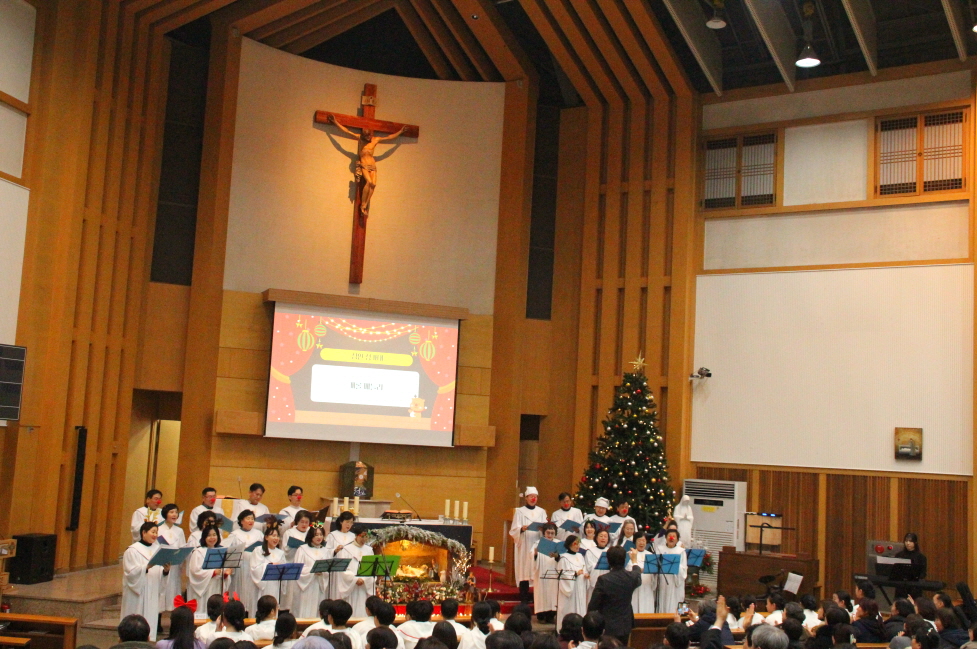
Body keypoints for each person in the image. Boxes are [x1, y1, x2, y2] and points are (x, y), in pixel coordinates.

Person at [121, 522, 168, 641]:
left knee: (150, 620)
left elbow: (159, 574)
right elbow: (130, 573)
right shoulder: (132, 550)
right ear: (143, 532)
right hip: (138, 593)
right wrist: (146, 567)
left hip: (152, 591)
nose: (155, 535)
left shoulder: (158, 550)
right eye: (153, 532)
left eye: (156, 532)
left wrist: (165, 571)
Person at [587, 546, 642, 642]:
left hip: (608, 625)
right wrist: (634, 561)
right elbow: (637, 574)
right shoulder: (631, 577)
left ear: (608, 561)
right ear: (624, 560)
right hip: (625, 624)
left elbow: (593, 605)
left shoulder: (603, 579)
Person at [510, 487, 548, 604]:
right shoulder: (519, 512)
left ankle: (537, 597)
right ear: (526, 498)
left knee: (536, 568)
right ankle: (524, 597)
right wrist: (521, 529)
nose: (533, 499)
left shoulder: (541, 512)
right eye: (531, 496)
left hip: (537, 542)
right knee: (524, 569)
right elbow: (513, 529)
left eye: (535, 497)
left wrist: (543, 529)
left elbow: (546, 528)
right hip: (525, 543)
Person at [333, 524, 375, 617]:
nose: (364, 539)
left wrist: (364, 579)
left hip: (364, 585)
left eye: (366, 537)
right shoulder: (346, 549)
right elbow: (343, 569)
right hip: (351, 586)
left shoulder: (369, 550)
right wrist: (355, 579)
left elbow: (372, 568)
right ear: (356, 535)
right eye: (362, 536)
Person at [228, 509, 264, 614]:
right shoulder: (234, 535)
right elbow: (230, 552)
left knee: (252, 592)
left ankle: (252, 614)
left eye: (252, 518)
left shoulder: (259, 534)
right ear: (241, 521)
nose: (251, 521)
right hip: (240, 567)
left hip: (254, 567)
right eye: (248, 518)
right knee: (240, 590)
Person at [294, 523, 331, 618]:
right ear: (311, 536)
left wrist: (323, 572)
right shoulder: (302, 549)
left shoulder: (326, 551)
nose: (319, 537)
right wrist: (312, 570)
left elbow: (328, 568)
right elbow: (298, 568)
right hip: (306, 585)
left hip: (319, 583)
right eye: (316, 535)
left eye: (321, 534)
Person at [187, 524, 228, 603]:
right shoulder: (198, 552)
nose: (212, 538)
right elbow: (195, 572)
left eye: (214, 535)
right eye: (209, 535)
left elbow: (223, 570)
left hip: (217, 586)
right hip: (204, 588)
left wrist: (225, 574)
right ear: (204, 537)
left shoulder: (221, 551)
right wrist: (213, 573)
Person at [157, 503, 186, 612]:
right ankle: (159, 613)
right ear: (165, 514)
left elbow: (182, 547)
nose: (174, 514)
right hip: (162, 565)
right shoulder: (158, 529)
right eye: (171, 512)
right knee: (161, 589)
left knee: (173, 589)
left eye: (176, 512)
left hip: (174, 566)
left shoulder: (179, 531)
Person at [282, 510, 312, 608]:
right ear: (297, 522)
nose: (304, 524)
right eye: (302, 522)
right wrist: (296, 547)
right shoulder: (289, 532)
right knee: (291, 595)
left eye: (306, 522)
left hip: (307, 566)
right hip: (293, 564)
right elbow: (285, 550)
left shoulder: (311, 533)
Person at [251, 523, 287, 602]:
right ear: (266, 537)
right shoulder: (259, 550)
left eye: (277, 536)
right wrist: (270, 565)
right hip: (264, 584)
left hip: (276, 584)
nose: (276, 538)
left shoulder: (280, 553)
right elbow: (255, 568)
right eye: (273, 536)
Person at [556, 534, 588, 622]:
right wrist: (575, 574)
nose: (578, 546)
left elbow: (584, 569)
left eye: (579, 543)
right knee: (570, 608)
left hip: (580, 587)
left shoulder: (580, 556)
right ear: (569, 544)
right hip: (571, 589)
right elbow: (563, 575)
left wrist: (585, 574)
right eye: (575, 544)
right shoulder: (564, 558)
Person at [533, 522, 560, 623]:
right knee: (542, 594)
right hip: (541, 573)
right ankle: (541, 616)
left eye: (552, 533)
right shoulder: (538, 543)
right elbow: (532, 558)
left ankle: (551, 616)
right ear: (544, 533)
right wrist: (535, 554)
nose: (550, 535)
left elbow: (563, 558)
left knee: (553, 594)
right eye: (548, 532)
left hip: (554, 573)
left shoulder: (558, 544)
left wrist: (557, 556)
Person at [326, 512, 357, 598]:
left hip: (350, 567)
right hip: (337, 568)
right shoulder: (333, 535)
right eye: (347, 522)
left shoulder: (353, 536)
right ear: (341, 522)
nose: (349, 525)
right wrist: (335, 551)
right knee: (336, 592)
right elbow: (326, 551)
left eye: (351, 522)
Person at [656, 529, 687, 614]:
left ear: (677, 539)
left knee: (677, 602)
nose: (671, 538)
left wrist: (675, 564)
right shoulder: (659, 550)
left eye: (674, 536)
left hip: (675, 582)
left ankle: (680, 617)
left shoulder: (681, 552)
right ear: (666, 538)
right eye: (669, 536)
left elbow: (684, 569)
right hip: (663, 581)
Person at [895, 533, 928, 598]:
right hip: (901, 587)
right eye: (906, 541)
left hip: (914, 587)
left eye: (910, 541)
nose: (908, 543)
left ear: (915, 542)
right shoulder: (899, 555)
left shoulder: (921, 557)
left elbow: (923, 573)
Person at [629, 533, 655, 614]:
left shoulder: (651, 555)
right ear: (635, 542)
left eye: (643, 541)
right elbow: (628, 569)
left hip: (647, 587)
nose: (641, 543)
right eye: (639, 540)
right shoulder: (630, 554)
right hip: (635, 588)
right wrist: (639, 570)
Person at [585, 529, 612, 603]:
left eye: (605, 536)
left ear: (608, 539)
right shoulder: (590, 551)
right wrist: (598, 565)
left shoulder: (610, 551)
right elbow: (588, 567)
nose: (603, 538)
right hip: (594, 582)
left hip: (608, 582)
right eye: (601, 536)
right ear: (596, 538)